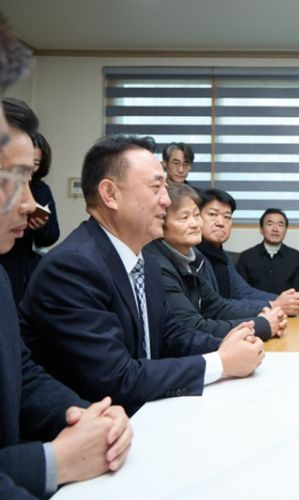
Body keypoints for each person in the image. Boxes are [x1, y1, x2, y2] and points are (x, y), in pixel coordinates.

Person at [20, 135, 265, 416]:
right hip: (98, 425)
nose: (166, 200)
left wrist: (230, 346)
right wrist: (221, 362)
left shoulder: (145, 260)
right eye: (156, 188)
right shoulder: (73, 267)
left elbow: (170, 334)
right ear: (110, 194)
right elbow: (117, 378)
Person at [0, 94, 131, 496]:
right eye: (11, 180)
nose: (29, 203)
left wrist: (88, 417)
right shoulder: (76, 263)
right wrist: (52, 462)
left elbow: (21, 374)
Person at [145, 183, 286, 340]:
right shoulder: (156, 265)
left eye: (196, 215)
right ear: (160, 223)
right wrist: (262, 324)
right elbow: (192, 328)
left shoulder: (194, 259)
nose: (195, 224)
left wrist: (269, 312)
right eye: (184, 217)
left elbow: (216, 307)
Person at [197, 188, 299, 316]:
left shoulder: (222, 256)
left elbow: (243, 291)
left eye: (227, 217)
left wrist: (285, 300)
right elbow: (216, 307)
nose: (221, 223)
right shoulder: (193, 257)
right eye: (213, 214)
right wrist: (274, 305)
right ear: (196, 217)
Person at [0, 132, 59, 305]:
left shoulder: (42, 189)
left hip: (27, 266)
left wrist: (40, 227)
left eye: (35, 164)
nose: (29, 205)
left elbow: (52, 234)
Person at [236, 208, 299, 296]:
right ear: (261, 229)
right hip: (255, 304)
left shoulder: (297, 258)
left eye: (280, 225)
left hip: (288, 304)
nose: (275, 229)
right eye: (270, 224)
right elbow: (240, 291)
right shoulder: (246, 257)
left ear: (285, 230)